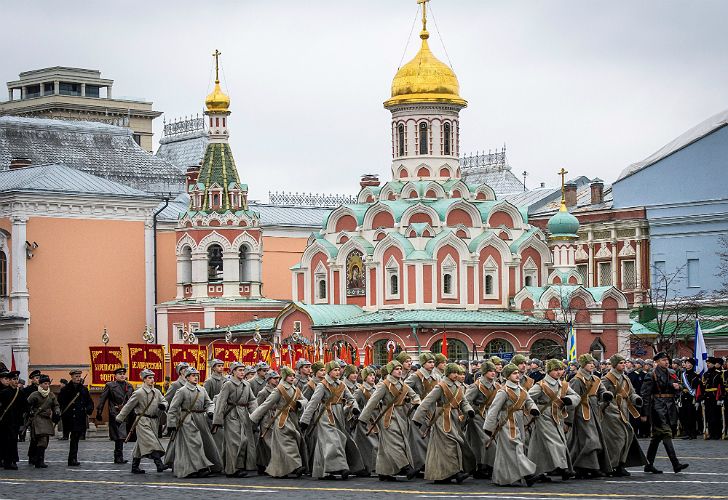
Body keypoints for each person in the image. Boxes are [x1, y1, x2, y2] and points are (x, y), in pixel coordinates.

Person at [299, 360, 364, 480]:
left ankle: (325, 471)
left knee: (335, 441)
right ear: (329, 372)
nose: (338, 372)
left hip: (339, 416)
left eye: (339, 369)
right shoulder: (322, 385)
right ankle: (341, 467)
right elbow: (313, 403)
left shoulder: (342, 385)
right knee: (333, 441)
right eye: (335, 370)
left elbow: (351, 398)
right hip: (325, 416)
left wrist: (354, 408)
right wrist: (305, 420)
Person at [413, 363, 475, 484]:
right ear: (448, 373)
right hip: (442, 419)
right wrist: (417, 418)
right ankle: (456, 473)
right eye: (453, 372)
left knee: (453, 444)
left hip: (455, 419)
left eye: (457, 372)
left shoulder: (459, 387)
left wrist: (469, 410)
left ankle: (445, 474)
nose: (456, 375)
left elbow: (463, 402)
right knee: (450, 445)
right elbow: (427, 402)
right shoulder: (440, 386)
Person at [358, 360, 420, 482]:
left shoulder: (403, 385)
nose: (399, 370)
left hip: (401, 416)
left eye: (400, 368)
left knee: (385, 446)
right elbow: (372, 402)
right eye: (396, 369)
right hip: (388, 417)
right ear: (391, 371)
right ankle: (406, 468)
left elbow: (415, 395)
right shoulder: (384, 385)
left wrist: (417, 402)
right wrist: (363, 418)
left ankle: (384, 472)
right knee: (395, 443)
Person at [483, 363, 540, 487]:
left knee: (506, 452)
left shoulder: (522, 389)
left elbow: (529, 401)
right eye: (514, 373)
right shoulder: (503, 391)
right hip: (507, 422)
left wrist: (533, 409)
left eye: (517, 373)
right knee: (516, 446)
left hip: (520, 421)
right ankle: (528, 474)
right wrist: (489, 427)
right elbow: (494, 409)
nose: (517, 375)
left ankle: (502, 477)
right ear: (508, 376)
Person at [251, 366, 308, 478]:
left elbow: (305, 399)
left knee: (291, 442)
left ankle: (281, 470)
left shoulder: (296, 389)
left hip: (293, 419)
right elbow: (266, 404)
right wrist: (253, 418)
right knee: (288, 443)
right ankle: (296, 466)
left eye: (293, 376)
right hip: (282, 420)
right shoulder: (279, 389)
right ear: (285, 377)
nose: (292, 378)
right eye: (290, 376)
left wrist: (300, 403)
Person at [527, 359, 579, 481]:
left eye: (560, 369)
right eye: (555, 370)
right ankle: (562, 467)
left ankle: (536, 471)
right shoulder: (540, 385)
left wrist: (569, 400)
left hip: (558, 416)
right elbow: (527, 398)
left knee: (539, 446)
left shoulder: (563, 384)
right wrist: (534, 409)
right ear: (549, 371)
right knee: (556, 442)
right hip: (544, 416)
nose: (559, 372)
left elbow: (576, 396)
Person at [166, 366, 222, 478]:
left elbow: (209, 403)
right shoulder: (181, 391)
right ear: (187, 378)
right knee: (195, 444)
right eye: (193, 376)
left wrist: (210, 412)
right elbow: (173, 408)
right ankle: (198, 468)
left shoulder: (202, 390)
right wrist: (171, 424)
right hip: (187, 420)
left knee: (207, 443)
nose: (196, 378)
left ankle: (213, 467)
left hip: (201, 419)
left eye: (197, 375)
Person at [566, 354, 612, 479]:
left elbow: (601, 392)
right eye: (589, 363)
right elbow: (572, 399)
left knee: (586, 440)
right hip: (582, 412)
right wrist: (569, 419)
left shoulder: (596, 379)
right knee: (591, 440)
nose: (592, 365)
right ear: (582, 364)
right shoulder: (577, 379)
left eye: (593, 363)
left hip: (595, 412)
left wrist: (606, 395)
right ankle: (592, 467)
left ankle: (582, 467)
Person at [641, 352, 688, 474]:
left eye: (667, 360)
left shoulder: (672, 373)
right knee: (666, 433)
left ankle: (648, 464)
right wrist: (644, 413)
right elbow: (645, 395)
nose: (666, 362)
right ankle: (675, 464)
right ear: (656, 362)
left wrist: (678, 387)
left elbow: (680, 387)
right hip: (657, 407)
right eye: (663, 360)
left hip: (670, 406)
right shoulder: (652, 375)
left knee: (656, 438)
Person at [600, 354, 646, 476]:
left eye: (624, 362)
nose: (624, 364)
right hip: (611, 411)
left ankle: (620, 463)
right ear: (615, 365)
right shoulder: (607, 378)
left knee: (628, 435)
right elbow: (602, 394)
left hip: (624, 409)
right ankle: (612, 465)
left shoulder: (626, 378)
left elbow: (631, 392)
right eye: (621, 363)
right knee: (618, 438)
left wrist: (636, 399)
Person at [115, 368, 167, 474]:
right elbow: (128, 406)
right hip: (142, 421)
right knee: (152, 442)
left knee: (140, 444)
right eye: (149, 378)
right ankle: (159, 464)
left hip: (154, 421)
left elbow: (164, 400)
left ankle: (135, 466)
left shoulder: (156, 391)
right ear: (144, 379)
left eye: (153, 378)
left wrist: (163, 405)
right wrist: (119, 419)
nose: (152, 380)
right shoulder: (139, 393)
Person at [212, 361, 258, 478]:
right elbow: (221, 402)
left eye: (243, 370)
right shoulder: (228, 384)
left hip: (244, 415)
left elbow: (252, 400)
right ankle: (233, 470)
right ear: (233, 371)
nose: (242, 372)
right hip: (231, 415)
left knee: (245, 441)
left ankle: (238, 466)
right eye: (240, 370)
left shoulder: (246, 385)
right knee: (235, 442)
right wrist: (217, 420)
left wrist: (256, 414)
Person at [405, 352, 439, 473]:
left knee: (431, 436)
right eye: (429, 362)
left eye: (433, 362)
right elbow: (403, 386)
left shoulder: (436, 376)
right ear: (423, 364)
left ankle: (430, 461)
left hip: (433, 410)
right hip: (419, 410)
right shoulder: (416, 376)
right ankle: (421, 463)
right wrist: (414, 397)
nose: (432, 364)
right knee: (419, 438)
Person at [464, 361, 499, 479]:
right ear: (484, 372)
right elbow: (466, 401)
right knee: (487, 442)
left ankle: (483, 467)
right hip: (478, 416)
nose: (493, 373)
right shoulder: (476, 386)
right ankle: (486, 466)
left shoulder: (497, 385)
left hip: (492, 416)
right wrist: (470, 412)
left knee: (482, 444)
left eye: (494, 371)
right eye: (490, 371)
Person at [96, 367, 135, 464]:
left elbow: (134, 400)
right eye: (120, 374)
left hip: (127, 413)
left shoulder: (129, 386)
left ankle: (120, 457)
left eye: (123, 374)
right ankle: (118, 457)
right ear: (115, 376)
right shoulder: (110, 385)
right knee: (119, 435)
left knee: (123, 435)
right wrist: (99, 412)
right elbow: (102, 399)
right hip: (116, 413)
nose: (122, 375)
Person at [58, 369, 94, 466]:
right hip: (69, 417)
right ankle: (72, 458)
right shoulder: (65, 389)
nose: (78, 378)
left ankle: (73, 458)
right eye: (76, 376)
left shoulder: (83, 389)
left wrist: (89, 409)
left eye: (79, 376)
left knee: (76, 438)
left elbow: (89, 401)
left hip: (79, 417)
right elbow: (60, 402)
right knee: (72, 437)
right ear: (72, 377)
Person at [25, 374, 60, 468]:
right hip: (37, 418)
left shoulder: (51, 395)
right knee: (42, 439)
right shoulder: (34, 394)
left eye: (48, 383)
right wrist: (30, 412)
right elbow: (27, 404)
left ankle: (35, 458)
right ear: (40, 384)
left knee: (43, 439)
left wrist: (57, 412)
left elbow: (55, 405)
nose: (47, 385)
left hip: (46, 419)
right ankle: (39, 461)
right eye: (45, 383)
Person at [352, 366, 379, 475]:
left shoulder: (378, 388)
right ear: (364, 378)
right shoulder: (360, 391)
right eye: (369, 376)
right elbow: (352, 403)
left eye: (373, 375)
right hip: (365, 422)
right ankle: (371, 468)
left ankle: (369, 468)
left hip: (377, 420)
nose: (372, 377)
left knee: (369, 447)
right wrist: (355, 413)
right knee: (373, 445)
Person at [0, 370, 28, 470]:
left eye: (17, 379)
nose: (16, 381)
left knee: (13, 441)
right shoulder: (4, 392)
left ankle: (13, 460)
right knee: (6, 441)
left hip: (15, 421)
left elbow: (25, 406)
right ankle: (7, 461)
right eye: (13, 379)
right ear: (10, 380)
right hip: (5, 421)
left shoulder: (20, 392)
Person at [20, 369, 41, 463]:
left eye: (39, 378)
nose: (38, 379)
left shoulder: (43, 389)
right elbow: (25, 403)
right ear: (32, 379)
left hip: (41, 416)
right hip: (31, 416)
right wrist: (29, 411)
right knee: (34, 436)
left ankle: (37, 455)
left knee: (40, 436)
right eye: (36, 378)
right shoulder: (27, 390)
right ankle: (32, 456)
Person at [701, 357, 723, 440]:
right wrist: (702, 397)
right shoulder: (705, 374)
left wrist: (720, 398)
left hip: (715, 396)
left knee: (716, 415)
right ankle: (710, 432)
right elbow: (703, 387)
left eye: (709, 363)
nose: (708, 364)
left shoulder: (718, 373)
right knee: (708, 415)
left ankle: (717, 433)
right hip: (707, 396)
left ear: (714, 364)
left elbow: (721, 387)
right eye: (707, 363)